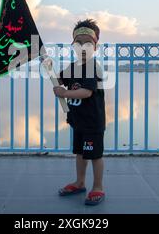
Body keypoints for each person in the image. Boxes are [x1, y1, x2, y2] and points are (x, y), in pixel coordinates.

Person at [52, 19, 106, 206]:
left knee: (95, 155)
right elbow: (58, 79)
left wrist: (65, 93)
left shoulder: (93, 67)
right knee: (81, 153)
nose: (83, 47)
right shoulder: (73, 66)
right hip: (78, 120)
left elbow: (87, 92)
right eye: (78, 43)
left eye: (88, 43)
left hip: (92, 121)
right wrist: (49, 69)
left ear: (95, 47)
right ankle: (80, 182)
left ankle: (98, 186)